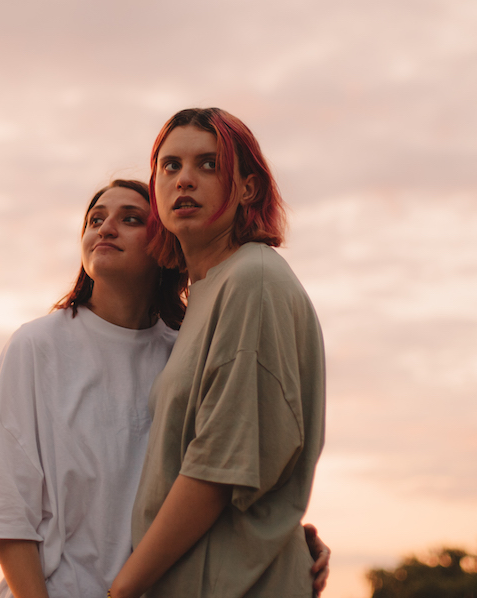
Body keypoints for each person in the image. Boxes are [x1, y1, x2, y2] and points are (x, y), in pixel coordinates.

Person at [0, 180, 329, 598]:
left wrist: (291, 542)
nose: (106, 228)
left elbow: (220, 473)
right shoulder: (37, 346)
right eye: (95, 219)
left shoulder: (184, 354)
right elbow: (7, 508)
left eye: (130, 219)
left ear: (164, 246)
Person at [110, 108, 326, 598]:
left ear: (248, 188)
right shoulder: (206, 294)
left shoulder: (253, 279)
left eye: (208, 165)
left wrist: (120, 592)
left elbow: (215, 473)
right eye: (171, 166)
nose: (185, 179)